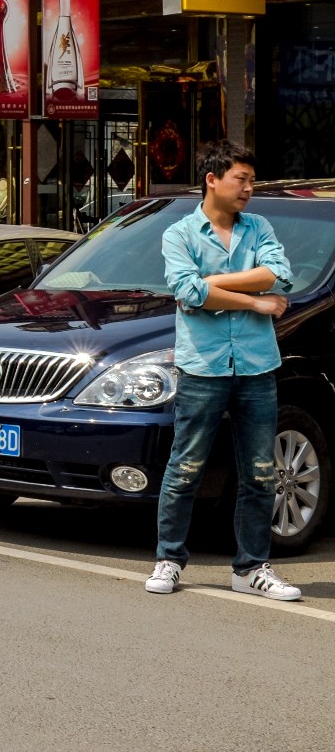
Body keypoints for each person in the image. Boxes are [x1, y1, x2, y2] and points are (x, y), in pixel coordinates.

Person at [147, 141, 300, 601]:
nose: (249, 189)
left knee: (259, 473)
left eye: (252, 180)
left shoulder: (259, 227)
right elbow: (188, 294)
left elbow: (278, 273)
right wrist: (254, 301)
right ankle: (169, 559)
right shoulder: (180, 234)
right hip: (203, 369)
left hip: (256, 367)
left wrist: (208, 283)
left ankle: (250, 567)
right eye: (242, 179)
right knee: (185, 468)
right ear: (212, 179)